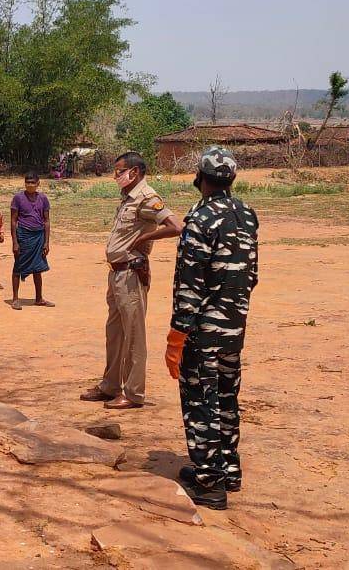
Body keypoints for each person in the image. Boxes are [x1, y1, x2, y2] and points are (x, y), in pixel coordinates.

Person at [166, 147, 259, 510]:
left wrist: (177, 335)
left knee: (201, 400)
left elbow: (189, 284)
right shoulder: (247, 214)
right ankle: (228, 469)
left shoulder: (200, 217)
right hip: (235, 325)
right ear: (231, 179)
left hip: (203, 329)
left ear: (200, 178)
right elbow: (252, 274)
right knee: (226, 396)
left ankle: (209, 482)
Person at [80, 152, 180, 410]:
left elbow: (175, 226)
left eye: (119, 171)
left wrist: (143, 240)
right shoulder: (128, 198)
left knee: (134, 335)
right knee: (114, 333)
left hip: (132, 274)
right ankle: (110, 385)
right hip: (116, 273)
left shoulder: (147, 198)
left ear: (133, 172)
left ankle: (134, 393)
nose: (116, 176)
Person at [9, 173, 53, 310]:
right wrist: (15, 242)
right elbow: (13, 220)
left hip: (39, 236)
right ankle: (15, 299)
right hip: (23, 235)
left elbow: (46, 221)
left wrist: (46, 242)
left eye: (32, 182)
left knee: (38, 268)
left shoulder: (43, 199)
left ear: (38, 183)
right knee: (18, 267)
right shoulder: (18, 198)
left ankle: (39, 298)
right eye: (27, 182)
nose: (30, 185)